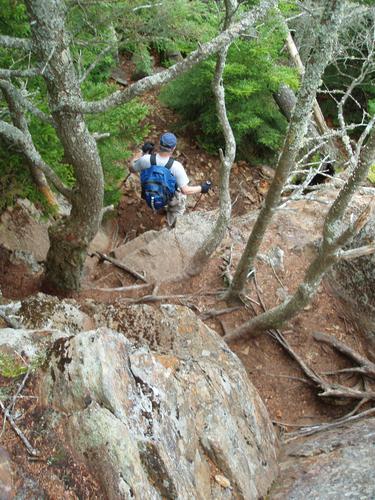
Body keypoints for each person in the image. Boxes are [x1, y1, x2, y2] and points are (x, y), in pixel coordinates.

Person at [130, 132, 212, 227]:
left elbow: (131, 168)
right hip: (170, 197)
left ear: (159, 144)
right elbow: (185, 190)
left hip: (150, 193)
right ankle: (172, 225)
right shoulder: (176, 167)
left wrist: (142, 152)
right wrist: (202, 188)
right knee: (181, 197)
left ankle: (159, 204)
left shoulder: (145, 159)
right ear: (173, 148)